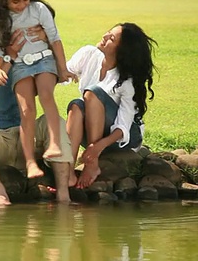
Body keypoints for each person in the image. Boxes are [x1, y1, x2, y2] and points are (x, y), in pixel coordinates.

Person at [0, 5, 73, 205]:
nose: (4, 32)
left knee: (53, 122)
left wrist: (44, 40)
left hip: (24, 138)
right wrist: (8, 58)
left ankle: (64, 193)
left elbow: (54, 80)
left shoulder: (25, 62)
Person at [0, 0, 75, 179]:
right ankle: (30, 163)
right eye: (15, 1)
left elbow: (55, 39)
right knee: (26, 110)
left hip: (44, 59)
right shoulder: (1, 18)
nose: (21, 5)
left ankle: (54, 143)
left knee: (46, 95)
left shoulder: (39, 10)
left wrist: (62, 68)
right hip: (20, 65)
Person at [65, 23, 157, 188]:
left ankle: (92, 165)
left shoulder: (128, 81)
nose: (105, 37)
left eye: (111, 38)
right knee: (76, 106)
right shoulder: (88, 54)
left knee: (92, 93)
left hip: (123, 137)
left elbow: (123, 126)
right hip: (94, 129)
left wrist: (96, 148)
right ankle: (67, 172)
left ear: (121, 51)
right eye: (108, 32)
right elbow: (62, 72)